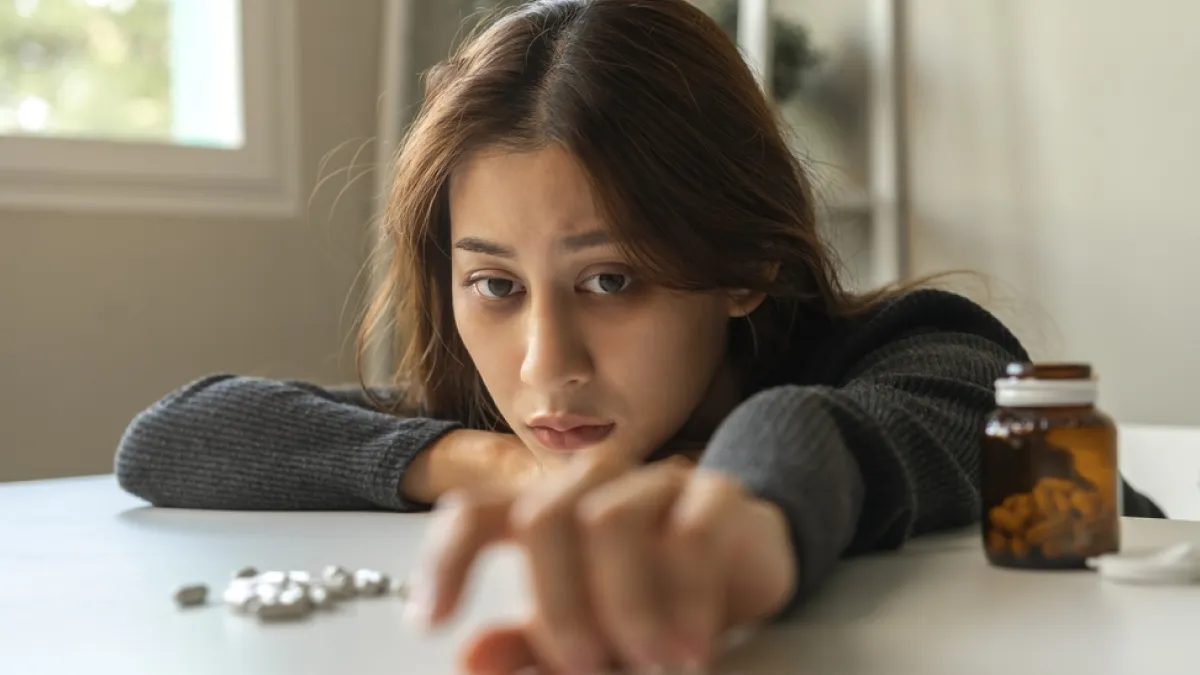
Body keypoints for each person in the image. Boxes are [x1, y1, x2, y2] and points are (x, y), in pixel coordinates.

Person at [114, 1, 1164, 672]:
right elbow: (173, 436)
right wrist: (499, 469)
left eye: (609, 279)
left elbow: (833, 431)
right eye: (493, 284)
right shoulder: (516, 422)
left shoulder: (927, 354)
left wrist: (743, 523)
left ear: (748, 266)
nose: (542, 364)